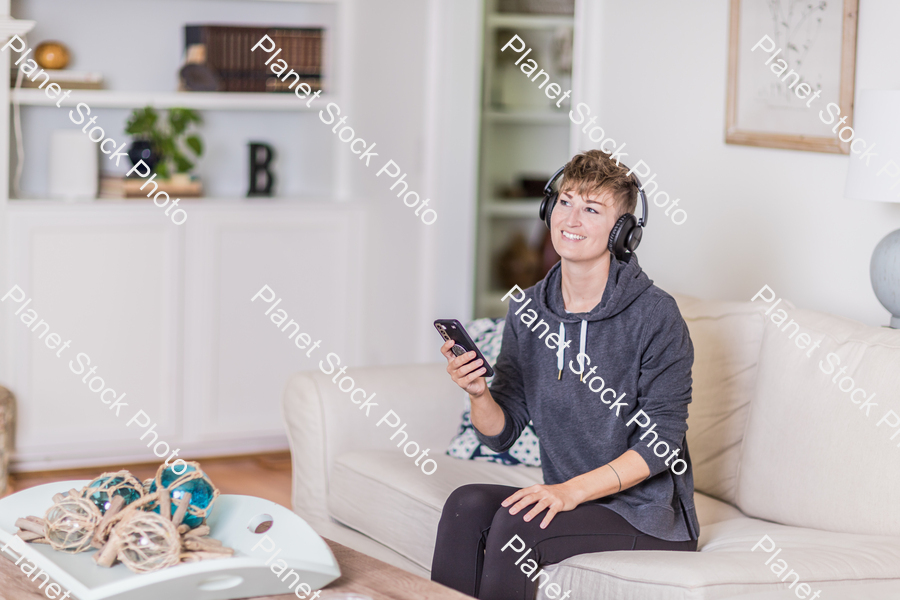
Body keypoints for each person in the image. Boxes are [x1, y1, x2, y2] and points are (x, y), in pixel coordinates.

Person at [431, 150, 699, 600]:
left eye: (592, 209)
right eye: (565, 201)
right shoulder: (530, 307)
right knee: (466, 504)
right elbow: (501, 433)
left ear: (623, 233)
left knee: (519, 522)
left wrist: (570, 492)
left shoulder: (656, 315)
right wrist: (479, 392)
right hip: (571, 497)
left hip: (645, 514)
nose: (570, 218)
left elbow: (660, 443)